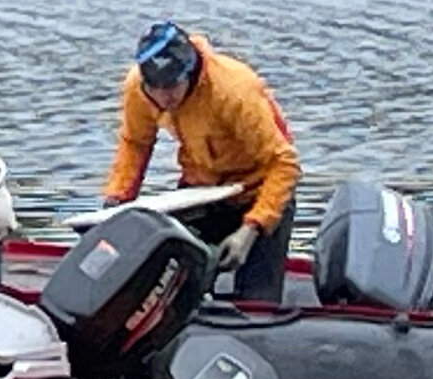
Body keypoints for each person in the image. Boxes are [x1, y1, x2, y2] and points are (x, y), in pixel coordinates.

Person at [106, 20, 300, 303]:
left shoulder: (233, 90)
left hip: (260, 189)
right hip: (202, 189)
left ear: (189, 72)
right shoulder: (138, 88)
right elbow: (136, 144)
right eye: (155, 87)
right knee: (173, 280)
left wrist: (250, 229)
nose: (164, 97)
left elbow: (285, 164)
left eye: (172, 86)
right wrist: (117, 200)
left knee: (259, 301)